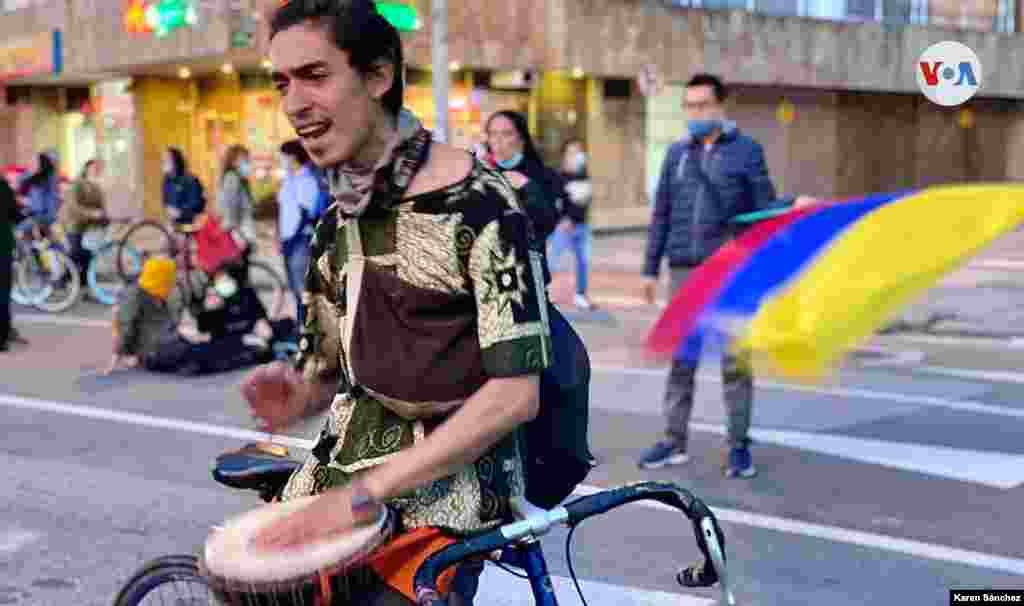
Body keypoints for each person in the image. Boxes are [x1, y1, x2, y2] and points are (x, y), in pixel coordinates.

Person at [241, 1, 552, 603]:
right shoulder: (337, 220)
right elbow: (326, 369)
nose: (293, 104)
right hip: (341, 476)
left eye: (314, 75)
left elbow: (516, 393)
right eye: (282, 83)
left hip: (448, 497)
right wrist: (297, 394)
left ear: (378, 75)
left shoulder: (481, 205)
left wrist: (367, 494)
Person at [638, 73, 781, 478]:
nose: (695, 114)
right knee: (682, 360)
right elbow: (662, 213)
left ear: (721, 107)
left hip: (730, 271)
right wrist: (651, 268)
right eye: (690, 106)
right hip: (683, 269)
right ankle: (673, 439)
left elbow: (764, 213)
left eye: (702, 106)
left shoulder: (747, 152)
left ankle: (738, 445)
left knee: (735, 362)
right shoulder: (677, 154)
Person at [107, 256, 274, 376]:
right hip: (159, 351)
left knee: (208, 353)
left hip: (165, 347)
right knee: (208, 355)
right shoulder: (135, 294)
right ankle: (254, 351)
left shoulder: (154, 292)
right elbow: (126, 327)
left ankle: (253, 350)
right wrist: (120, 354)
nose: (173, 281)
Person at [277, 139, 322, 327]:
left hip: (299, 241)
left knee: (303, 289)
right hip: (287, 240)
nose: (282, 160)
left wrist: (293, 240)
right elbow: (282, 211)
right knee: (295, 290)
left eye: (284, 156)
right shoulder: (288, 181)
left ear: (293, 157)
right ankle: (301, 328)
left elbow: (305, 215)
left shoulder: (307, 180)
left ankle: (310, 329)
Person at [548, 140, 594, 310]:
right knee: (553, 262)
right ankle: (545, 295)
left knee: (583, 262)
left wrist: (572, 219)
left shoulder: (584, 176)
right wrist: (561, 220)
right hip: (562, 228)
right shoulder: (559, 177)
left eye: (579, 152)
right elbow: (554, 202)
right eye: (572, 152)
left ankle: (580, 295)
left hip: (581, 227)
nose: (577, 156)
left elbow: (582, 202)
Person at [62, 159, 109, 285]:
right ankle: (63, 278)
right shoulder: (78, 183)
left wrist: (105, 219)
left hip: (88, 226)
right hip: (74, 223)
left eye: (99, 168)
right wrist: (92, 213)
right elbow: (73, 206)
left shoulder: (97, 186)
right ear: (87, 169)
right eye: (95, 168)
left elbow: (101, 208)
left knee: (87, 254)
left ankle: (84, 281)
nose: (98, 170)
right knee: (76, 251)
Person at [216, 144, 256, 244]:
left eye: (247, 159)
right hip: (238, 232)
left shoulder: (239, 179)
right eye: (244, 160)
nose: (248, 163)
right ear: (233, 162)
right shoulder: (232, 177)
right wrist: (236, 234)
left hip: (240, 230)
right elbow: (230, 204)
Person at [16, 153, 60, 238]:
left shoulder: (46, 180)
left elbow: (40, 206)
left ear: (42, 164)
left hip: (42, 217)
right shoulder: (28, 177)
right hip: (31, 215)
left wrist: (26, 201)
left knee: (19, 232)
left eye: (34, 162)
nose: (30, 163)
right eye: (30, 161)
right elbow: (19, 186)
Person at [162, 147, 206, 226]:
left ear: (176, 161)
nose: (163, 162)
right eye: (163, 160)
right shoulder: (167, 180)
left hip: (191, 225)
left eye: (167, 160)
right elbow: (166, 201)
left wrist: (180, 212)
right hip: (174, 224)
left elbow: (197, 204)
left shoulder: (190, 180)